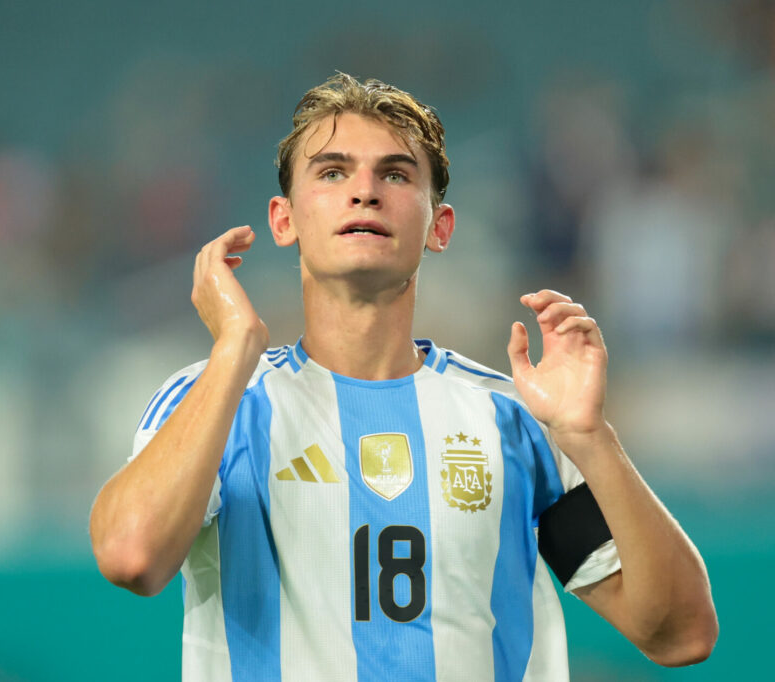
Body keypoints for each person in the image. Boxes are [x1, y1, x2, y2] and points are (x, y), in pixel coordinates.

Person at [89, 73, 717, 681]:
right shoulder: (218, 401)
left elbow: (681, 635)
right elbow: (130, 556)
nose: (364, 192)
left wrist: (589, 437)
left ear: (440, 227)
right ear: (284, 221)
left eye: (395, 174)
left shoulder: (514, 420)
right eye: (332, 172)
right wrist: (234, 348)